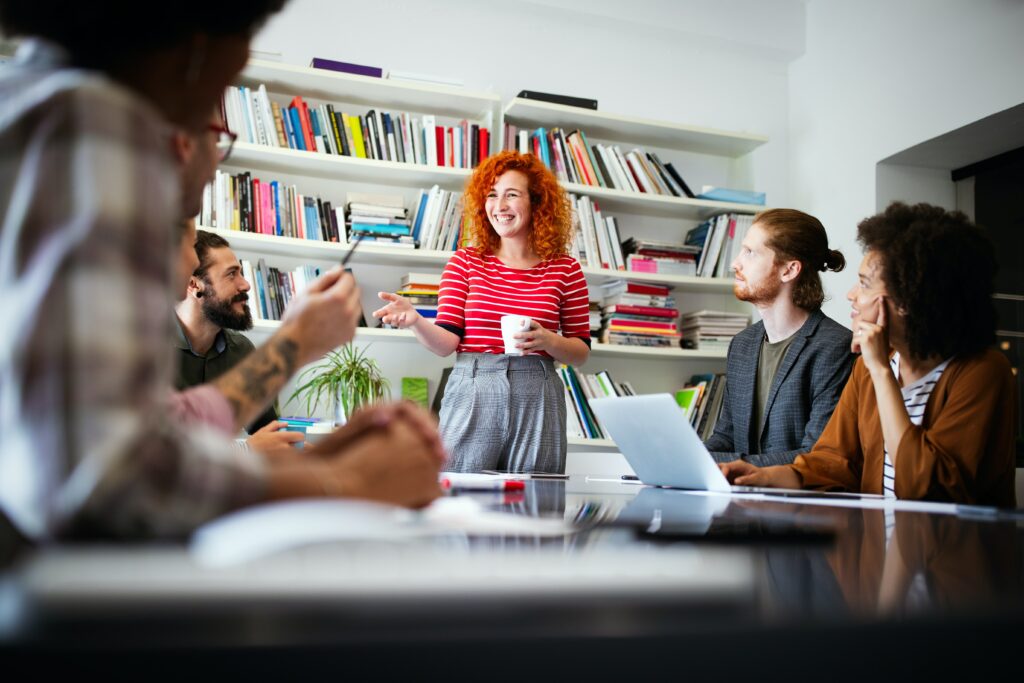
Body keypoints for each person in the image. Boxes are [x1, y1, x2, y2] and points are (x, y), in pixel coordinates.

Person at [0, 2, 445, 541]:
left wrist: (318, 450)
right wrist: (345, 480)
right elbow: (105, 478)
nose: (214, 163)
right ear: (194, 50)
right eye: (217, 127)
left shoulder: (31, 102)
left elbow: (154, 430)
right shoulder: (93, 119)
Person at [721, 203, 1017, 507]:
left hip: (954, 551)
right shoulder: (869, 366)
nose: (851, 294)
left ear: (906, 299)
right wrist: (764, 476)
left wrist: (881, 372)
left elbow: (927, 487)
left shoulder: (982, 372)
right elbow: (834, 459)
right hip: (880, 547)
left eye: (863, 284)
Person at [373, 151, 591, 473]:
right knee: (459, 503)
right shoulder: (466, 262)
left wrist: (548, 340)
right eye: (492, 195)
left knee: (535, 507)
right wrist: (416, 321)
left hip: (539, 392)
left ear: (536, 202)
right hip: (472, 387)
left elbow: (581, 351)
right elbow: (447, 342)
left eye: (511, 195)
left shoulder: (566, 269)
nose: (499, 206)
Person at [705, 209, 854, 466]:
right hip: (741, 500)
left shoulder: (836, 347)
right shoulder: (741, 345)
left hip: (802, 504)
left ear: (789, 270)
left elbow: (815, 455)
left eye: (750, 253)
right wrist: (686, 458)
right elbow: (726, 436)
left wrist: (731, 465)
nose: (735, 264)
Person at [175, 230, 304, 458]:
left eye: (241, 273)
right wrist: (245, 449)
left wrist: (329, 454)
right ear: (194, 284)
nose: (246, 285)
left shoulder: (241, 350)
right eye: (231, 274)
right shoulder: (145, 349)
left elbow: (271, 434)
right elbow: (151, 454)